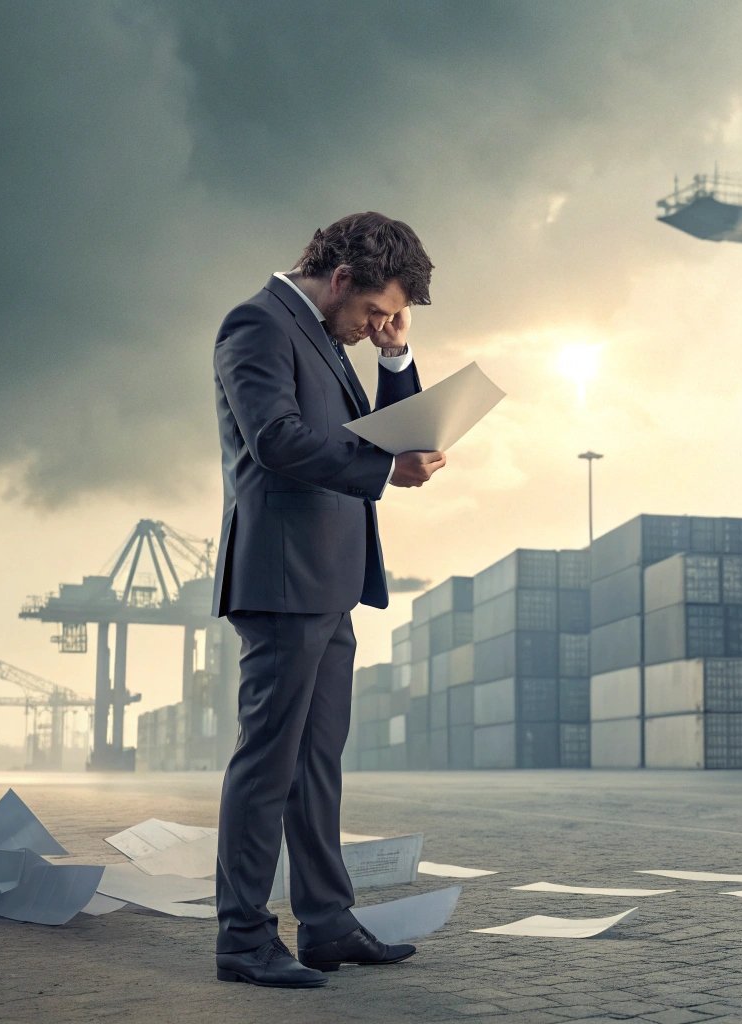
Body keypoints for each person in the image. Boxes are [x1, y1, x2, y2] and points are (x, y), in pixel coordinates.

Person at [210, 212, 447, 988]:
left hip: (331, 579)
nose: (376, 326)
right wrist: (384, 473)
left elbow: (383, 432)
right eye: (375, 313)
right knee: (267, 765)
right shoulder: (258, 323)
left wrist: (399, 354)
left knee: (317, 765)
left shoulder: (324, 333)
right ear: (340, 279)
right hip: (282, 580)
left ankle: (326, 924)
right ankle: (244, 940)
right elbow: (275, 438)